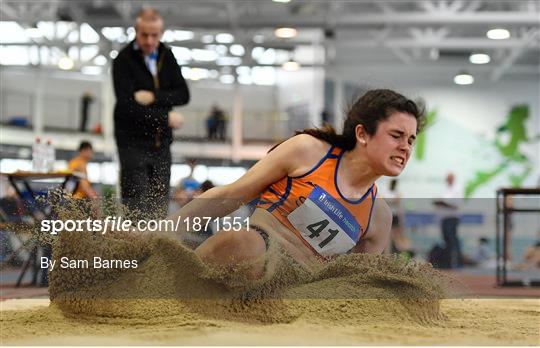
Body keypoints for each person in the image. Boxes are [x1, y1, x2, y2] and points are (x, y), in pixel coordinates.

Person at [173, 89, 426, 278]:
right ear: (362, 134)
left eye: (411, 140)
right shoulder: (308, 151)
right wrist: (163, 231)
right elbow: (231, 194)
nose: (405, 147)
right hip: (257, 249)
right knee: (241, 243)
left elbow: (354, 285)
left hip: (298, 289)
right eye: (397, 135)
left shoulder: (378, 216)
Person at [112, 8, 190, 218]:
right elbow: (128, 107)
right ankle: (133, 250)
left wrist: (154, 96)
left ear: (161, 34)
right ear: (136, 32)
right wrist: (166, 118)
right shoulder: (123, 60)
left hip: (161, 145)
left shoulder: (167, 55)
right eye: (144, 34)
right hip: (132, 144)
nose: (149, 40)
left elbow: (183, 94)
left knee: (158, 207)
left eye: (154, 35)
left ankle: (154, 250)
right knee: (136, 207)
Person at [433, 172, 464, 268]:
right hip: (444, 218)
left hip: (452, 218)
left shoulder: (457, 189)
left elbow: (456, 205)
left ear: (452, 179)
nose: (447, 180)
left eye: (448, 178)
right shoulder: (446, 190)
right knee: (446, 241)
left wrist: (444, 203)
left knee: (452, 240)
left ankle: (457, 262)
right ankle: (447, 262)